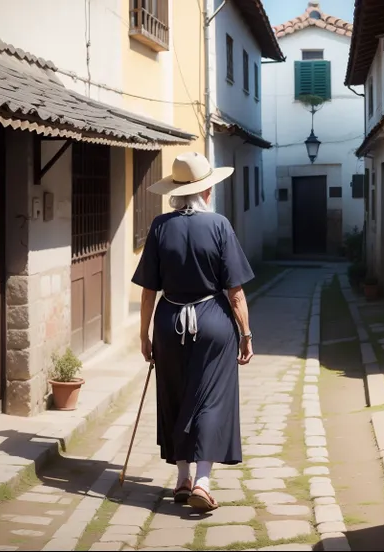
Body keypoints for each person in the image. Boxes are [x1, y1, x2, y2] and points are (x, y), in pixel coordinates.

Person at [131, 152, 255, 512]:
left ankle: (181, 479)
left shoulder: (159, 226)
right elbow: (236, 293)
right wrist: (245, 334)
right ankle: (202, 481)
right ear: (206, 191)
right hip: (213, 321)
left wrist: (144, 335)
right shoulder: (219, 225)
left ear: (175, 192)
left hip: (169, 322)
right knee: (211, 399)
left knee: (174, 396)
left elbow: (147, 291)